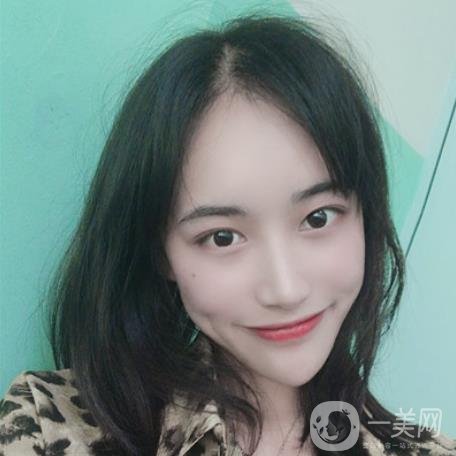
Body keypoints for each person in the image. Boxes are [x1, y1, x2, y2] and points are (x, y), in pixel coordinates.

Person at [1, 13, 455, 456]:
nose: (286, 290)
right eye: (222, 237)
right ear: (161, 252)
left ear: (365, 216)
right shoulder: (49, 428)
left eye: (318, 218)